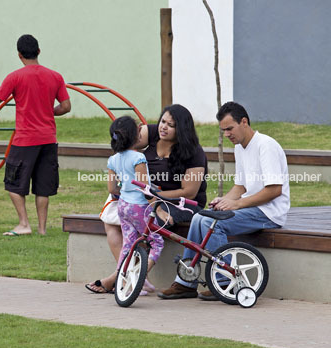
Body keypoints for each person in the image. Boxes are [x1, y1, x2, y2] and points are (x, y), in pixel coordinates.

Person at [157, 101, 290, 300]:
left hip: (269, 212)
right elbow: (241, 187)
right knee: (199, 217)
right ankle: (186, 281)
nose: (227, 134)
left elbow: (274, 191)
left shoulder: (266, 146)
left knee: (213, 223)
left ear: (244, 122)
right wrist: (224, 200)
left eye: (230, 128)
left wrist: (236, 204)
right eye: (223, 130)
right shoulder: (240, 147)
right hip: (251, 206)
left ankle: (224, 282)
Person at [86, 104, 207, 294]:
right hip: (145, 197)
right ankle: (133, 278)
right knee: (111, 218)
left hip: (181, 204)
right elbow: (124, 140)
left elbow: (189, 192)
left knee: (147, 223)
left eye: (171, 125)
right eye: (163, 121)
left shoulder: (194, 152)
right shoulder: (152, 133)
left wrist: (155, 199)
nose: (163, 127)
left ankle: (125, 277)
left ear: (182, 130)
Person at [0, 34, 71, 236]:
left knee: (13, 183)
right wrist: (49, 112)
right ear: (39, 51)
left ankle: (24, 223)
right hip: (49, 139)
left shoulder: (15, 77)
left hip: (25, 139)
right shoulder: (55, 76)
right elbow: (66, 106)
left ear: (19, 55)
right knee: (43, 187)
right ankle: (42, 229)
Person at [86, 116, 164, 294]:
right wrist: (157, 207)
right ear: (136, 134)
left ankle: (124, 280)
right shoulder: (138, 158)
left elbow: (112, 188)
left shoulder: (113, 159)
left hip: (123, 207)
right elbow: (145, 188)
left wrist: (126, 194)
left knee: (128, 245)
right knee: (157, 242)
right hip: (139, 207)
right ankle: (140, 278)